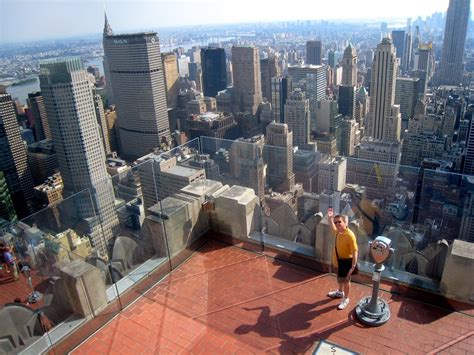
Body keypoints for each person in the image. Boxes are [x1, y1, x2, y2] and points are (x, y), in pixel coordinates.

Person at [327, 208, 358, 310]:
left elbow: (355, 251)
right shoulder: (338, 232)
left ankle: (346, 298)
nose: (337, 224)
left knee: (346, 281)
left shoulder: (350, 235)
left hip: (346, 262)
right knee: (340, 278)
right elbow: (332, 228)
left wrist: (353, 265)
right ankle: (340, 292)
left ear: (345, 223)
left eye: (339, 222)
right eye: (336, 222)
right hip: (338, 261)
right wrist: (330, 218)